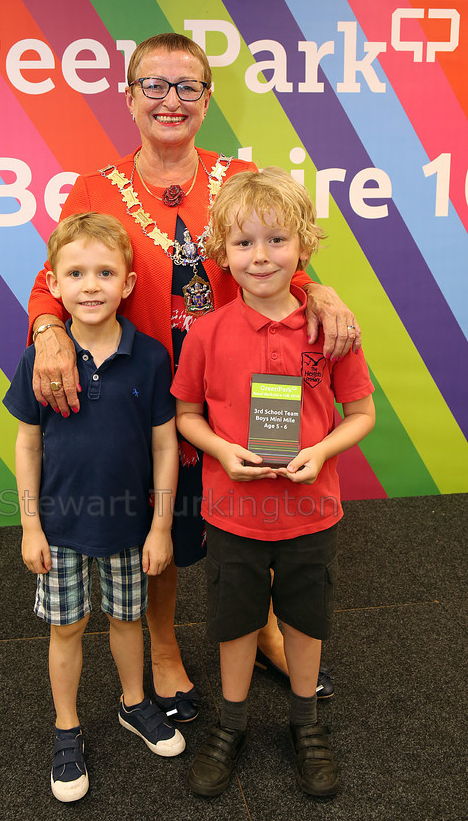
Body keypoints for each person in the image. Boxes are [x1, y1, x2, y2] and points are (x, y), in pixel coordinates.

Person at [26, 33, 361, 718]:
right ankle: (164, 644)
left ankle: (267, 629)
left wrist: (317, 291)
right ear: (128, 97)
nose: (169, 100)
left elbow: (274, 259)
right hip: (144, 395)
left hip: (237, 389)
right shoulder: (94, 188)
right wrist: (48, 329)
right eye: (153, 84)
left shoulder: (239, 174)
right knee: (164, 525)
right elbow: (49, 281)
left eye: (187, 86)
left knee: (262, 515)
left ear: (207, 98)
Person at [171, 168, 375, 797]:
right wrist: (225, 452)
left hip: (311, 511)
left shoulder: (331, 329)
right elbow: (186, 416)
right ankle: (231, 724)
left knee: (305, 621)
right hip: (232, 510)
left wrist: (320, 451)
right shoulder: (206, 331)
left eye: (277, 240)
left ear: (304, 245)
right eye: (243, 243)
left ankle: (305, 722)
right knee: (235, 621)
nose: (261, 256)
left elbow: (361, 414)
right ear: (222, 254)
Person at [3, 212, 185, 802]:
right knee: (69, 627)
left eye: (105, 272)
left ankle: (135, 704)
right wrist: (30, 526)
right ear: (52, 285)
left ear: (128, 284)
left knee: (127, 620)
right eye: (75, 273)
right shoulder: (40, 360)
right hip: (59, 529)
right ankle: (67, 729)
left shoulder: (152, 358)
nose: (90, 285)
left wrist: (160, 527)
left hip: (131, 527)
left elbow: (165, 443)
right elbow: (28, 443)